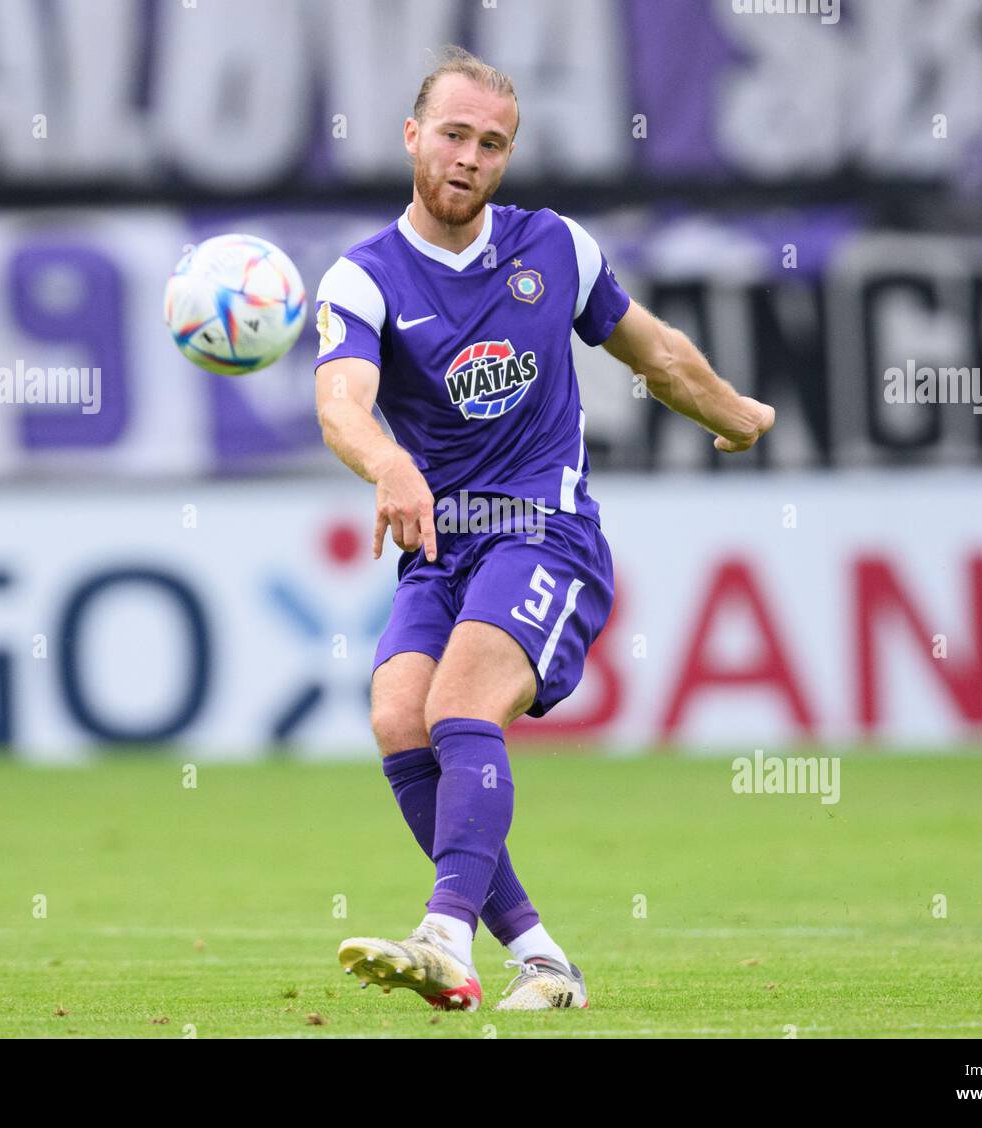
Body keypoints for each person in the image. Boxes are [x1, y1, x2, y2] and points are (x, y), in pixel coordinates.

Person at [314, 46, 774, 1012]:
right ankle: (542, 957)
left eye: (493, 144)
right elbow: (341, 404)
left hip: (544, 530)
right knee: (401, 716)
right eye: (452, 135)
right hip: (441, 548)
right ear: (411, 137)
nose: (469, 159)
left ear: (507, 156)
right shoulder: (363, 280)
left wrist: (737, 415)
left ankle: (443, 934)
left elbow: (658, 355)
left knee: (459, 708)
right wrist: (392, 465)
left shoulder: (556, 248)